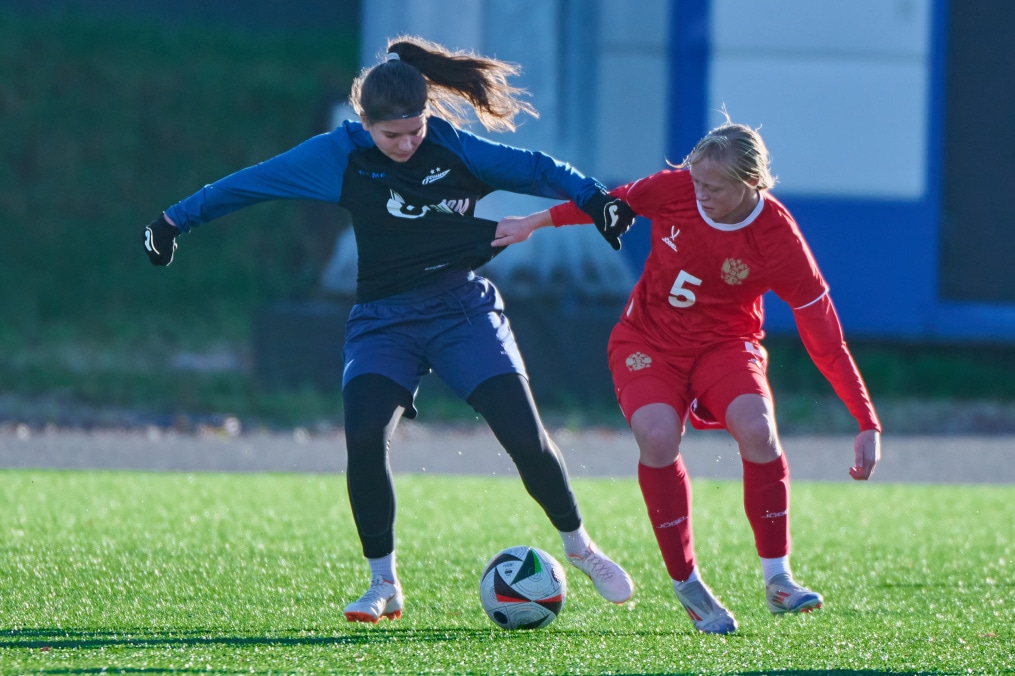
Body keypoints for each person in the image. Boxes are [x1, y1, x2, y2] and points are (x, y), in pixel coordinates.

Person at [142, 35, 637, 624]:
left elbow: (538, 170)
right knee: (363, 438)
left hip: (463, 310)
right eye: (390, 135)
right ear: (364, 123)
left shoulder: (455, 148)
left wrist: (596, 199)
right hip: (384, 322)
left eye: (414, 131)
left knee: (524, 436)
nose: (405, 145)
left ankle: (580, 546)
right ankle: (384, 583)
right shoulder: (337, 156)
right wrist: (173, 220)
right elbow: (251, 183)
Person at [493, 115, 882, 634]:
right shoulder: (676, 189)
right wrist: (534, 224)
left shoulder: (777, 237)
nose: (699, 193)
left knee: (759, 429)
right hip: (647, 343)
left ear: (751, 184)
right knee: (656, 437)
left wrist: (866, 419)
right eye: (696, 180)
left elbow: (824, 336)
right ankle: (688, 584)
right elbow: (610, 203)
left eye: (714, 187)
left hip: (726, 345)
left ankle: (778, 578)